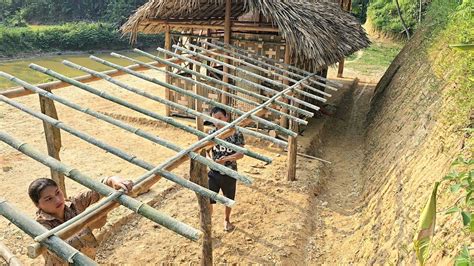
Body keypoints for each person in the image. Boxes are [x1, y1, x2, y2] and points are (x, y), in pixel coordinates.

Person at [28, 176, 133, 265]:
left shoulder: (74, 204)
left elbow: (97, 189)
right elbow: (61, 251)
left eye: (57, 192)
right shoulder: (40, 226)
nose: (58, 200)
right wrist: (91, 224)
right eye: (49, 199)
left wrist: (114, 180)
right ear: (37, 205)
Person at [207, 107, 244, 232]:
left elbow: (240, 154)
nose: (217, 122)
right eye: (214, 119)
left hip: (229, 172)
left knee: (228, 199)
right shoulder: (211, 133)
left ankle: (227, 220)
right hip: (213, 172)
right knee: (208, 199)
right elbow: (205, 151)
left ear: (226, 117)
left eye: (220, 118)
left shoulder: (236, 133)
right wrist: (210, 160)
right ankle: (208, 223)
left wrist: (226, 159)